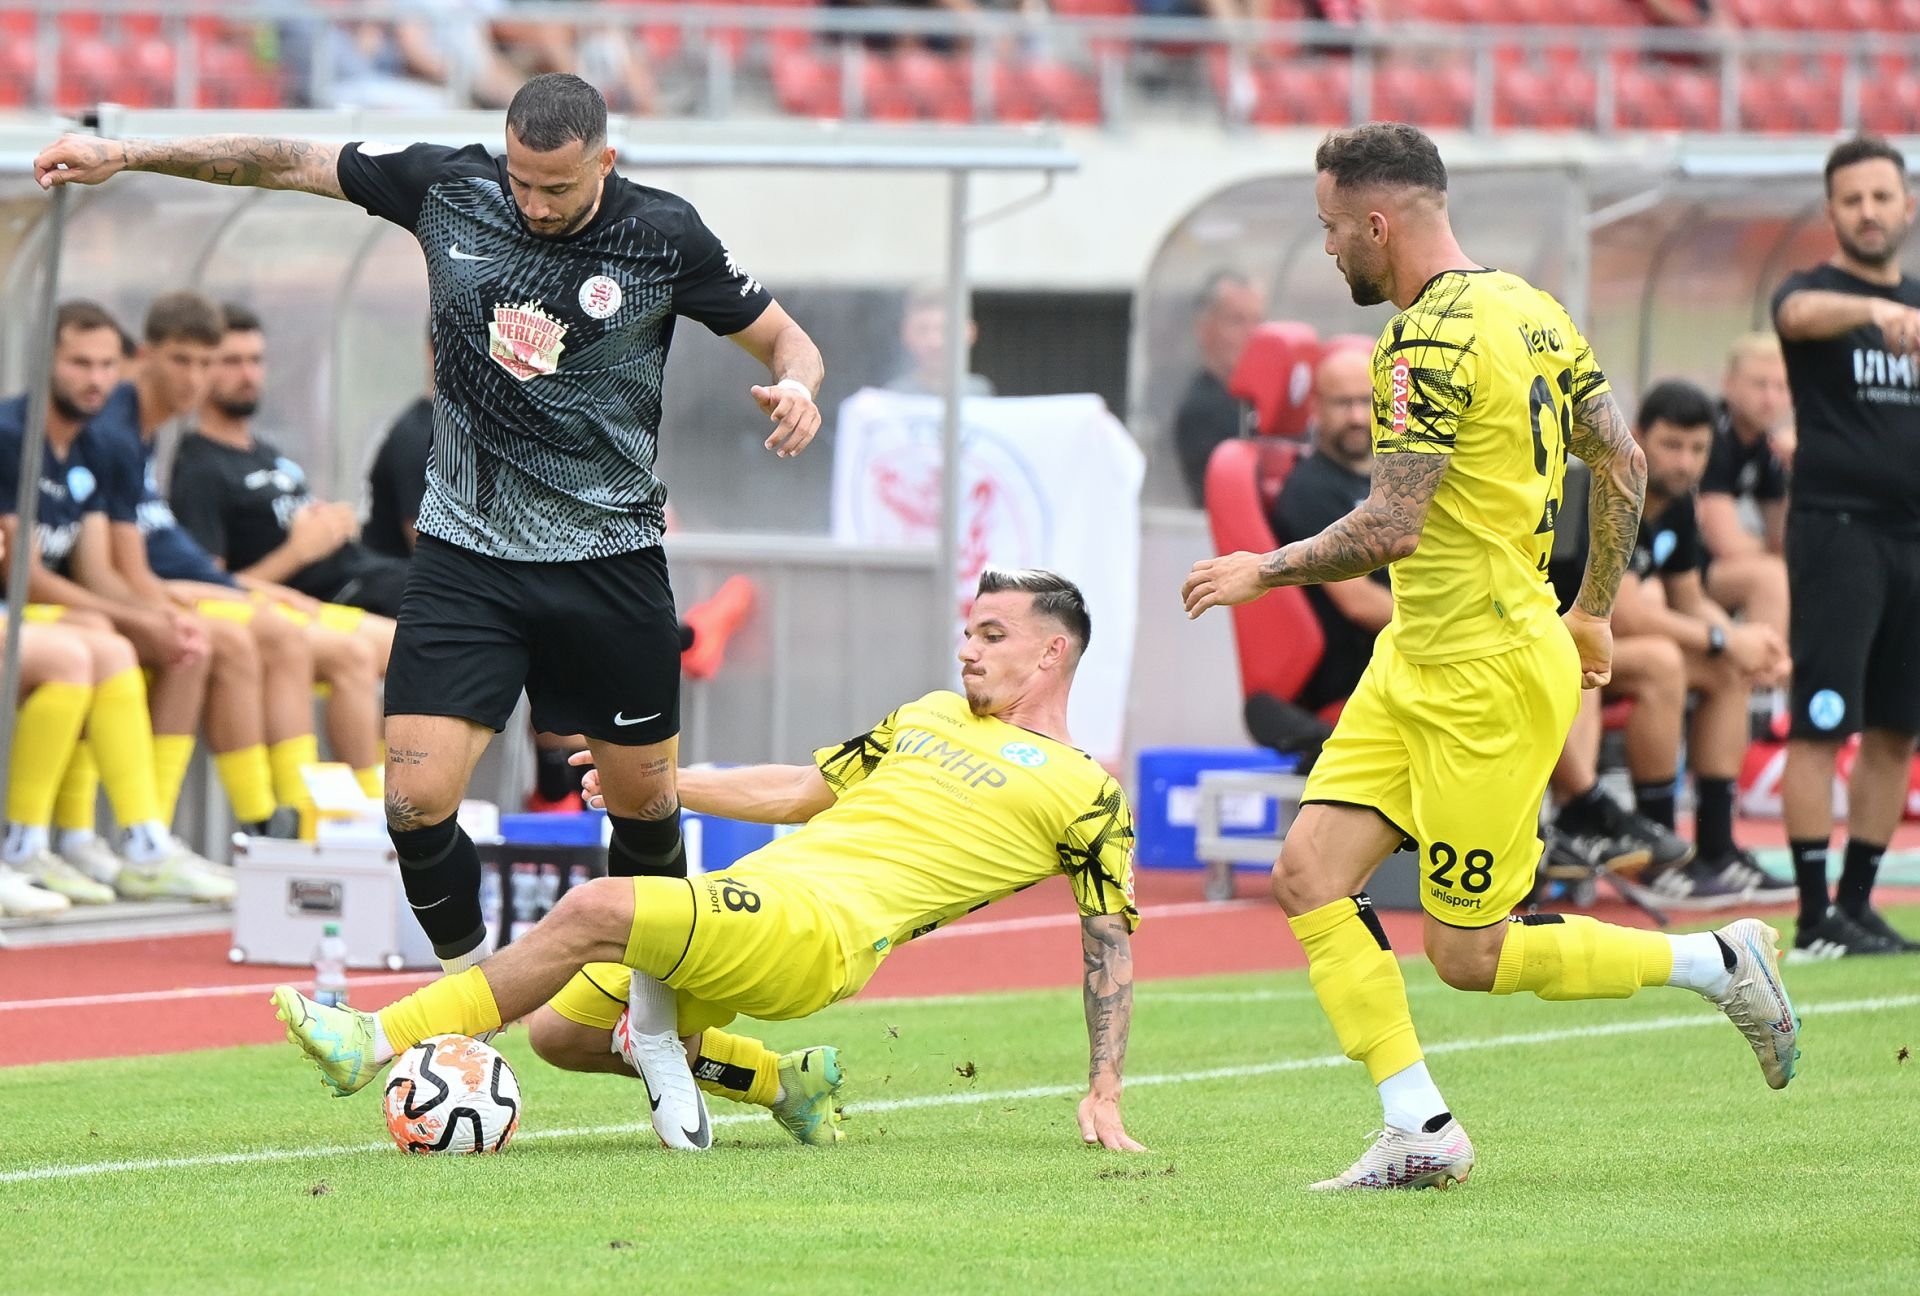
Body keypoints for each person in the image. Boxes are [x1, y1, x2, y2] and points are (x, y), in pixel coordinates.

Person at [37, 72, 827, 1147]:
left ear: (604, 162)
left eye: (556, 188)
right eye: (520, 180)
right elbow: (283, 161)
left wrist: (798, 386)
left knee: (644, 812)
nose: (533, 204)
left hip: (608, 564)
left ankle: (654, 1035)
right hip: (467, 561)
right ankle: (470, 1014)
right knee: (412, 802)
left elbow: (786, 339)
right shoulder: (449, 188)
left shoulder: (663, 235)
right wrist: (127, 154)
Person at [1181, 123, 1798, 1191]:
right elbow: (1624, 460)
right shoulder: (1532, 308)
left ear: (1379, 224)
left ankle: (1718, 960)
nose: (1328, 248)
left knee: (1468, 955)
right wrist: (1592, 611)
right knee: (1307, 873)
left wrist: (1261, 569)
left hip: (1486, 677)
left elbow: (1392, 525)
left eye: (1332, 227)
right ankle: (1419, 1127)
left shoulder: (1421, 342)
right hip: (1423, 656)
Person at [270, 569, 1144, 1154]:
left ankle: (372, 1040)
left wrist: (1104, 1087)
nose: (968, 649)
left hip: (818, 935)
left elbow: (1107, 944)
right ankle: (782, 1084)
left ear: (1051, 651)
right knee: (562, 1035)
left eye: (991, 634)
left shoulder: (1088, 794)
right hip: (750, 895)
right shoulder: (931, 714)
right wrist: (665, 784)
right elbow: (799, 790)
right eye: (968, 631)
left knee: (594, 910)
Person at [87, 295, 391, 818]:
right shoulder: (162, 449)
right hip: (194, 599)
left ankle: (374, 810)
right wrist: (291, 559)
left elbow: (185, 566)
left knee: (390, 643)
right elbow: (131, 570)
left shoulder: (156, 434)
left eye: (207, 363)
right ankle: (284, 816)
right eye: (185, 361)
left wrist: (262, 589)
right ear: (144, 356)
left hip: (268, 588)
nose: (195, 378)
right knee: (270, 639)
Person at [0, 330, 228, 901]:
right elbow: (24, 574)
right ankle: (30, 842)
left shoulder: (95, 445)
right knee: (82, 652)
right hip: (19, 608)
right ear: (43, 360)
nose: (96, 379)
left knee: (120, 639)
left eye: (106, 365)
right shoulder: (11, 435)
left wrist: (150, 615)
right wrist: (140, 617)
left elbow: (98, 569)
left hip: (35, 611)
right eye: (80, 363)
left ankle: (130, 840)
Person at [1772, 134, 1920, 958]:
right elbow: (1796, 318)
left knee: (1897, 729)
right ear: (1831, 212)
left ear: (1908, 206)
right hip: (1839, 533)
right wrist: (1874, 312)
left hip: (1913, 538)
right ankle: (1813, 913)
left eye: (1881, 196)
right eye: (1853, 199)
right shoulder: (1811, 295)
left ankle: (1858, 905)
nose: (1869, 211)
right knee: (1822, 721)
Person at [1605, 379, 1793, 908]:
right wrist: (1721, 636)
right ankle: (1657, 854)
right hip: (1558, 647)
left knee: (1727, 669)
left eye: (1697, 449)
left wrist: (1746, 643)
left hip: (1607, 653)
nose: (1684, 461)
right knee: (1664, 661)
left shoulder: (1678, 505)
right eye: (1671, 445)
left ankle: (1715, 848)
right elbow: (1626, 615)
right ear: (1637, 435)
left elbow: (1688, 599)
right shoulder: (1613, 492)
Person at [170, 303, 412, 619]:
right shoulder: (200, 469)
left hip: (370, 571)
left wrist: (334, 523)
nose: (248, 375)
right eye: (231, 362)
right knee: (431, 604)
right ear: (202, 369)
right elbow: (209, 590)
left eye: (255, 360)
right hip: (332, 600)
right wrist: (297, 552)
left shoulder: (266, 453)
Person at [1268, 344, 1389, 712]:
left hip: (1397, 662)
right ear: (1315, 407)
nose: (1357, 417)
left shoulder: (1388, 478)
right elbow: (1360, 604)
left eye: (1366, 401)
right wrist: (1453, 627)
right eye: (1342, 403)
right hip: (1359, 681)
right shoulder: (1309, 489)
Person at [1696, 333, 1791, 637]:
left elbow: (1784, 540)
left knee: (1807, 571)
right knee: (1771, 578)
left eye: (1781, 387)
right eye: (1760, 385)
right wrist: (1765, 548)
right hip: (1671, 572)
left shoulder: (1768, 444)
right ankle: (1766, 666)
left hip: (1708, 568)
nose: (1770, 399)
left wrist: (1799, 468)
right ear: (1729, 384)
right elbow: (1727, 545)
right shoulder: (1710, 434)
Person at [1172, 270, 1264, 506]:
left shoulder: (1250, 400)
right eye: (1237, 321)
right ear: (1203, 329)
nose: (1252, 333)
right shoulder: (1204, 409)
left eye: (1257, 321)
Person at [881, 283, 995, 398]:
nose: (934, 342)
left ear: (969, 333)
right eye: (923, 330)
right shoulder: (892, 396)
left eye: (946, 329)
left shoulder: (980, 393)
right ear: (907, 333)